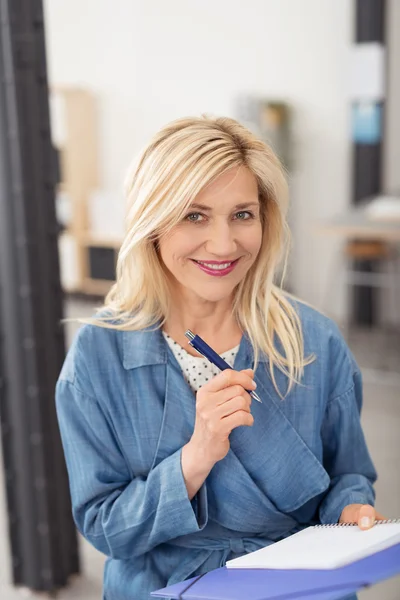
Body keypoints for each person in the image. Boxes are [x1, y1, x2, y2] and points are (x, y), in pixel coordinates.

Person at [55, 116, 381, 600]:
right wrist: (196, 456)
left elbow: (348, 473)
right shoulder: (97, 356)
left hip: (299, 588)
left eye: (243, 214)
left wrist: (353, 509)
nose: (225, 244)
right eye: (194, 215)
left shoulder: (312, 339)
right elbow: (106, 528)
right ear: (152, 222)